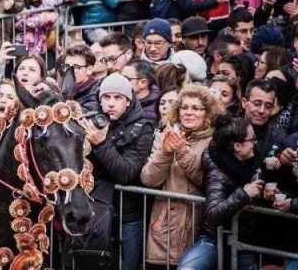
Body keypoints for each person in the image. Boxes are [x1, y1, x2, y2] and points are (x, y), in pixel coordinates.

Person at [141, 85, 222, 266]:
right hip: (163, 227)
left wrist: (182, 151)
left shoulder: (215, 140)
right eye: (184, 107)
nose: (188, 112)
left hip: (197, 227)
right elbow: (148, 179)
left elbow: (206, 180)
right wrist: (166, 153)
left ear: (207, 113)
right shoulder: (166, 135)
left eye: (195, 108)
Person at [80, 73, 154, 270]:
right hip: (95, 211)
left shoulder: (143, 127)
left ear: (128, 101)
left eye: (117, 98)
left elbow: (127, 172)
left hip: (128, 215)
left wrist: (101, 144)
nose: (111, 103)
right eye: (106, 97)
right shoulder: (90, 121)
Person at [178, 116, 262, 270]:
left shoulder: (253, 161)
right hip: (213, 238)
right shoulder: (217, 173)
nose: (255, 143)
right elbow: (213, 214)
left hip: (244, 239)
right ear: (237, 146)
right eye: (252, 139)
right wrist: (243, 194)